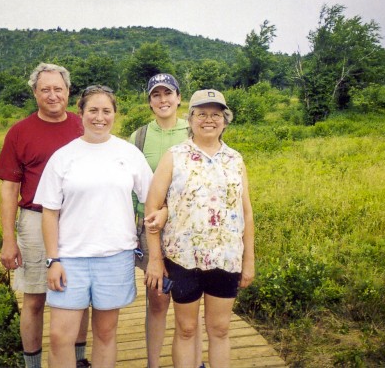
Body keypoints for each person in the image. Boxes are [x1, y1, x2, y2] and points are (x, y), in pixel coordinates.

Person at [33, 85, 153, 368]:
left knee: (105, 332)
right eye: (93, 110)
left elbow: (152, 200)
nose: (100, 117)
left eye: (106, 111)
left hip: (116, 257)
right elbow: (49, 212)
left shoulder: (129, 153)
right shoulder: (63, 156)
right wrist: (53, 260)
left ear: (114, 114)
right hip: (70, 258)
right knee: (60, 336)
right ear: (81, 113)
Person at [144, 89, 255, 368]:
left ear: (225, 120)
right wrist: (155, 260)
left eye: (216, 114)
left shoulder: (235, 159)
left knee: (219, 330)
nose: (209, 120)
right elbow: (152, 208)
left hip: (226, 258)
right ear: (190, 119)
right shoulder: (174, 156)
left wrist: (249, 260)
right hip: (183, 259)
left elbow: (246, 212)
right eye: (202, 114)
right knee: (186, 330)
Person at [0, 63, 91, 368]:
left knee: (80, 295)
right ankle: (32, 364)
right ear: (34, 92)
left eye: (58, 89)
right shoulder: (19, 132)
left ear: (68, 91)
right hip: (35, 220)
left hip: (78, 220)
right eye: (45, 89)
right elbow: (9, 190)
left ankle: (78, 360)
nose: (52, 95)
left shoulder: (82, 125)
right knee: (34, 297)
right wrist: (9, 240)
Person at [129, 73, 203, 368]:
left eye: (168, 93)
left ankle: (195, 362)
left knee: (190, 302)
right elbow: (130, 186)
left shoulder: (194, 131)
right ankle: (153, 364)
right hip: (150, 228)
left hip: (190, 227)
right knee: (158, 299)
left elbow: (202, 182)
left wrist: (169, 210)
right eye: (156, 95)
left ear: (179, 98)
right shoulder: (139, 137)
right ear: (149, 101)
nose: (163, 100)